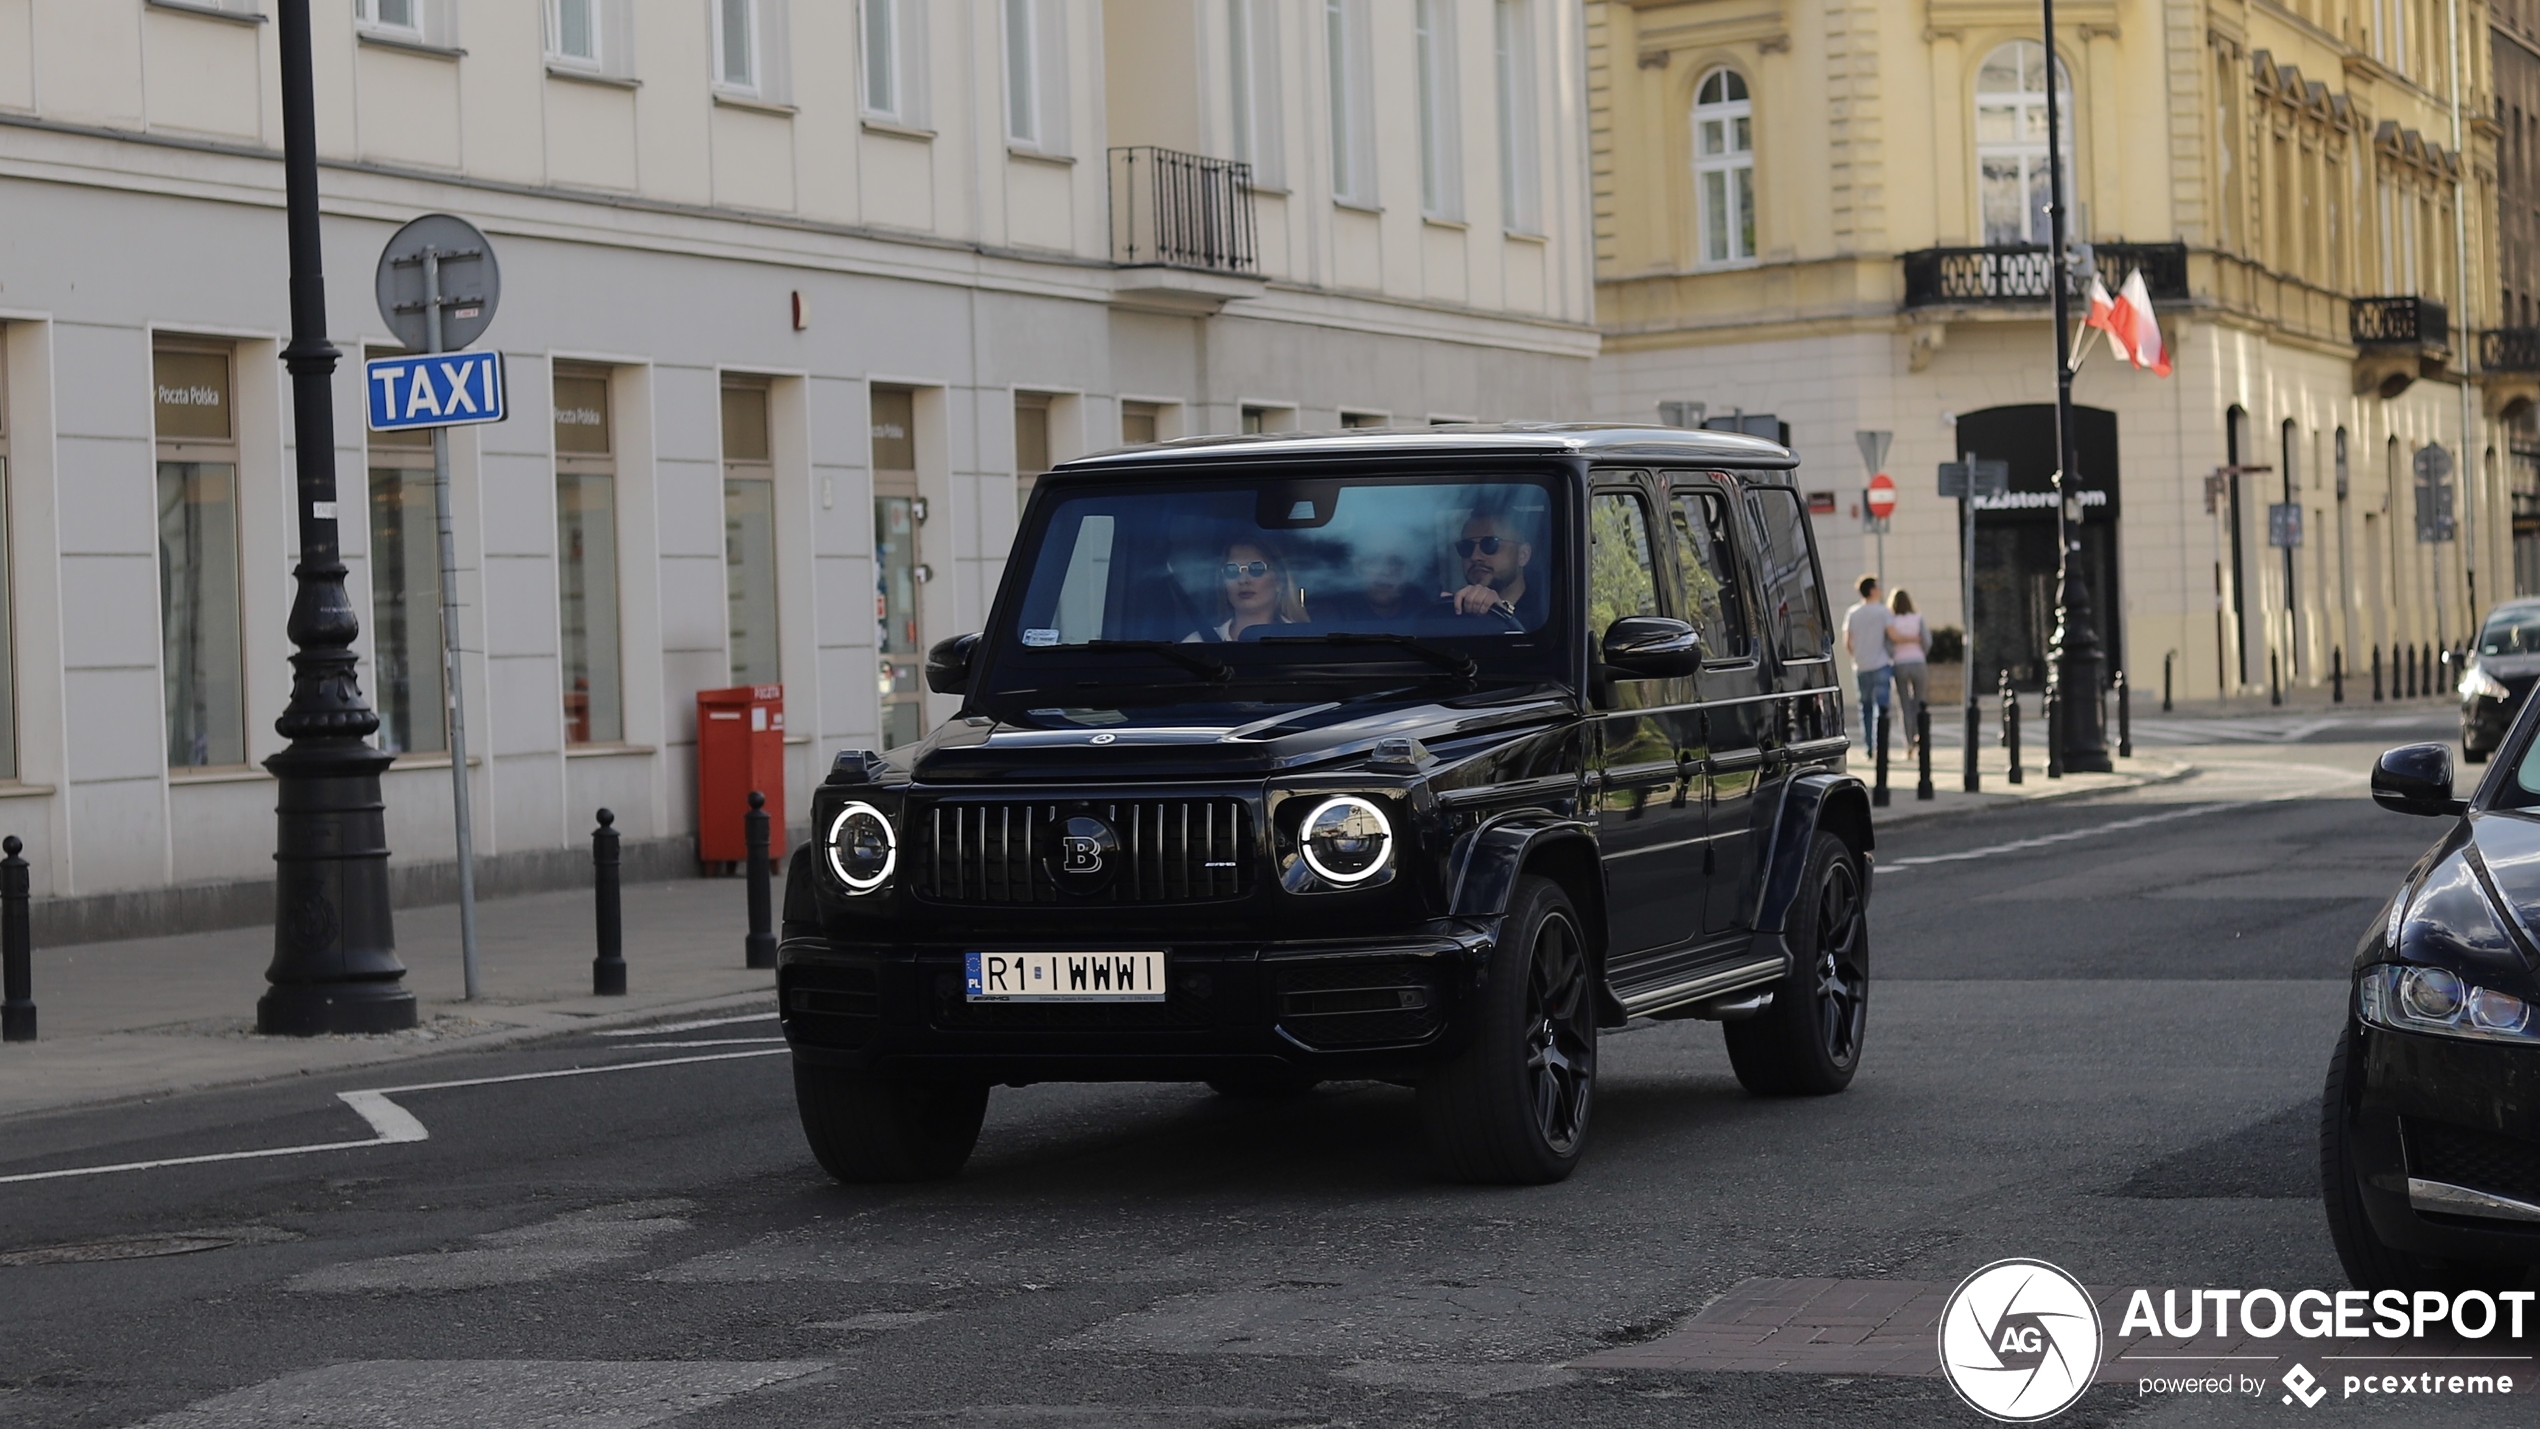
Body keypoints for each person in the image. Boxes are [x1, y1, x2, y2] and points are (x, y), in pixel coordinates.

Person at [1187, 537, 1303, 641]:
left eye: (1256, 568)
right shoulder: (1196, 644)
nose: (1243, 580)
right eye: (1232, 570)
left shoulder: (1305, 640)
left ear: (1279, 581)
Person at [1445, 511, 1545, 627]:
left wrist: (1503, 612)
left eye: (1490, 544)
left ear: (1523, 555)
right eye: (1466, 547)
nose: (1475, 556)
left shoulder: (1549, 611)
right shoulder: (1452, 616)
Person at [1841, 575, 1892, 755]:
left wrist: (1855, 658)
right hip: (1880, 663)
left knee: (1866, 708)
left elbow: (1847, 641)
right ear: (1871, 590)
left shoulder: (1853, 612)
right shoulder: (1883, 611)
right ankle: (1881, 747)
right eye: (1878, 587)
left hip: (1860, 666)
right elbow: (1892, 635)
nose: (1880, 590)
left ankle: (1869, 747)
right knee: (1882, 708)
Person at [1887, 589, 1927, 755]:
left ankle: (1909, 744)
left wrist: (1893, 656)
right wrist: (1921, 653)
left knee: (1904, 706)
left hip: (1900, 663)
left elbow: (1888, 644)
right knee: (1919, 703)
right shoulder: (1918, 618)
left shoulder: (1891, 621)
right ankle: (1921, 739)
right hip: (1918, 662)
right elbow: (1927, 640)